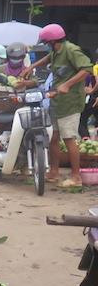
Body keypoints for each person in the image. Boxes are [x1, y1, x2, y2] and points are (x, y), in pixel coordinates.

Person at [23, 24, 92, 187]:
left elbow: (87, 69)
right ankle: (54, 172)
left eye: (47, 43)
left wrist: (68, 84)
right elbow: (48, 58)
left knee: (69, 138)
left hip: (70, 103)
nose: (47, 46)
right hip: (56, 101)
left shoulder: (72, 50)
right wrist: (32, 66)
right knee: (53, 138)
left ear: (53, 42)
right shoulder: (56, 52)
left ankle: (76, 177)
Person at [78, 48, 98, 139]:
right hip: (92, 98)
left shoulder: (90, 69)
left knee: (82, 121)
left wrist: (92, 90)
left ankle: (86, 141)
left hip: (92, 99)